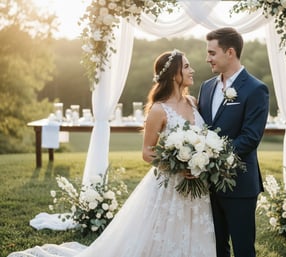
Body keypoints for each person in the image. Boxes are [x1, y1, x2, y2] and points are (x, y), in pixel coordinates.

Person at [8, 50, 216, 257]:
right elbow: (147, 152)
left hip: (197, 185)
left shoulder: (193, 102)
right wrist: (178, 167)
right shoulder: (159, 110)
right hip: (170, 184)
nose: (192, 70)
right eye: (187, 66)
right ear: (173, 74)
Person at [197, 27, 269, 257]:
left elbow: (250, 138)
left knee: (243, 247)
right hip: (208, 184)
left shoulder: (256, 89)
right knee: (215, 246)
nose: (207, 58)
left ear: (230, 52)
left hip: (239, 184)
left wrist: (210, 159)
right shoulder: (206, 87)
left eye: (212, 53)